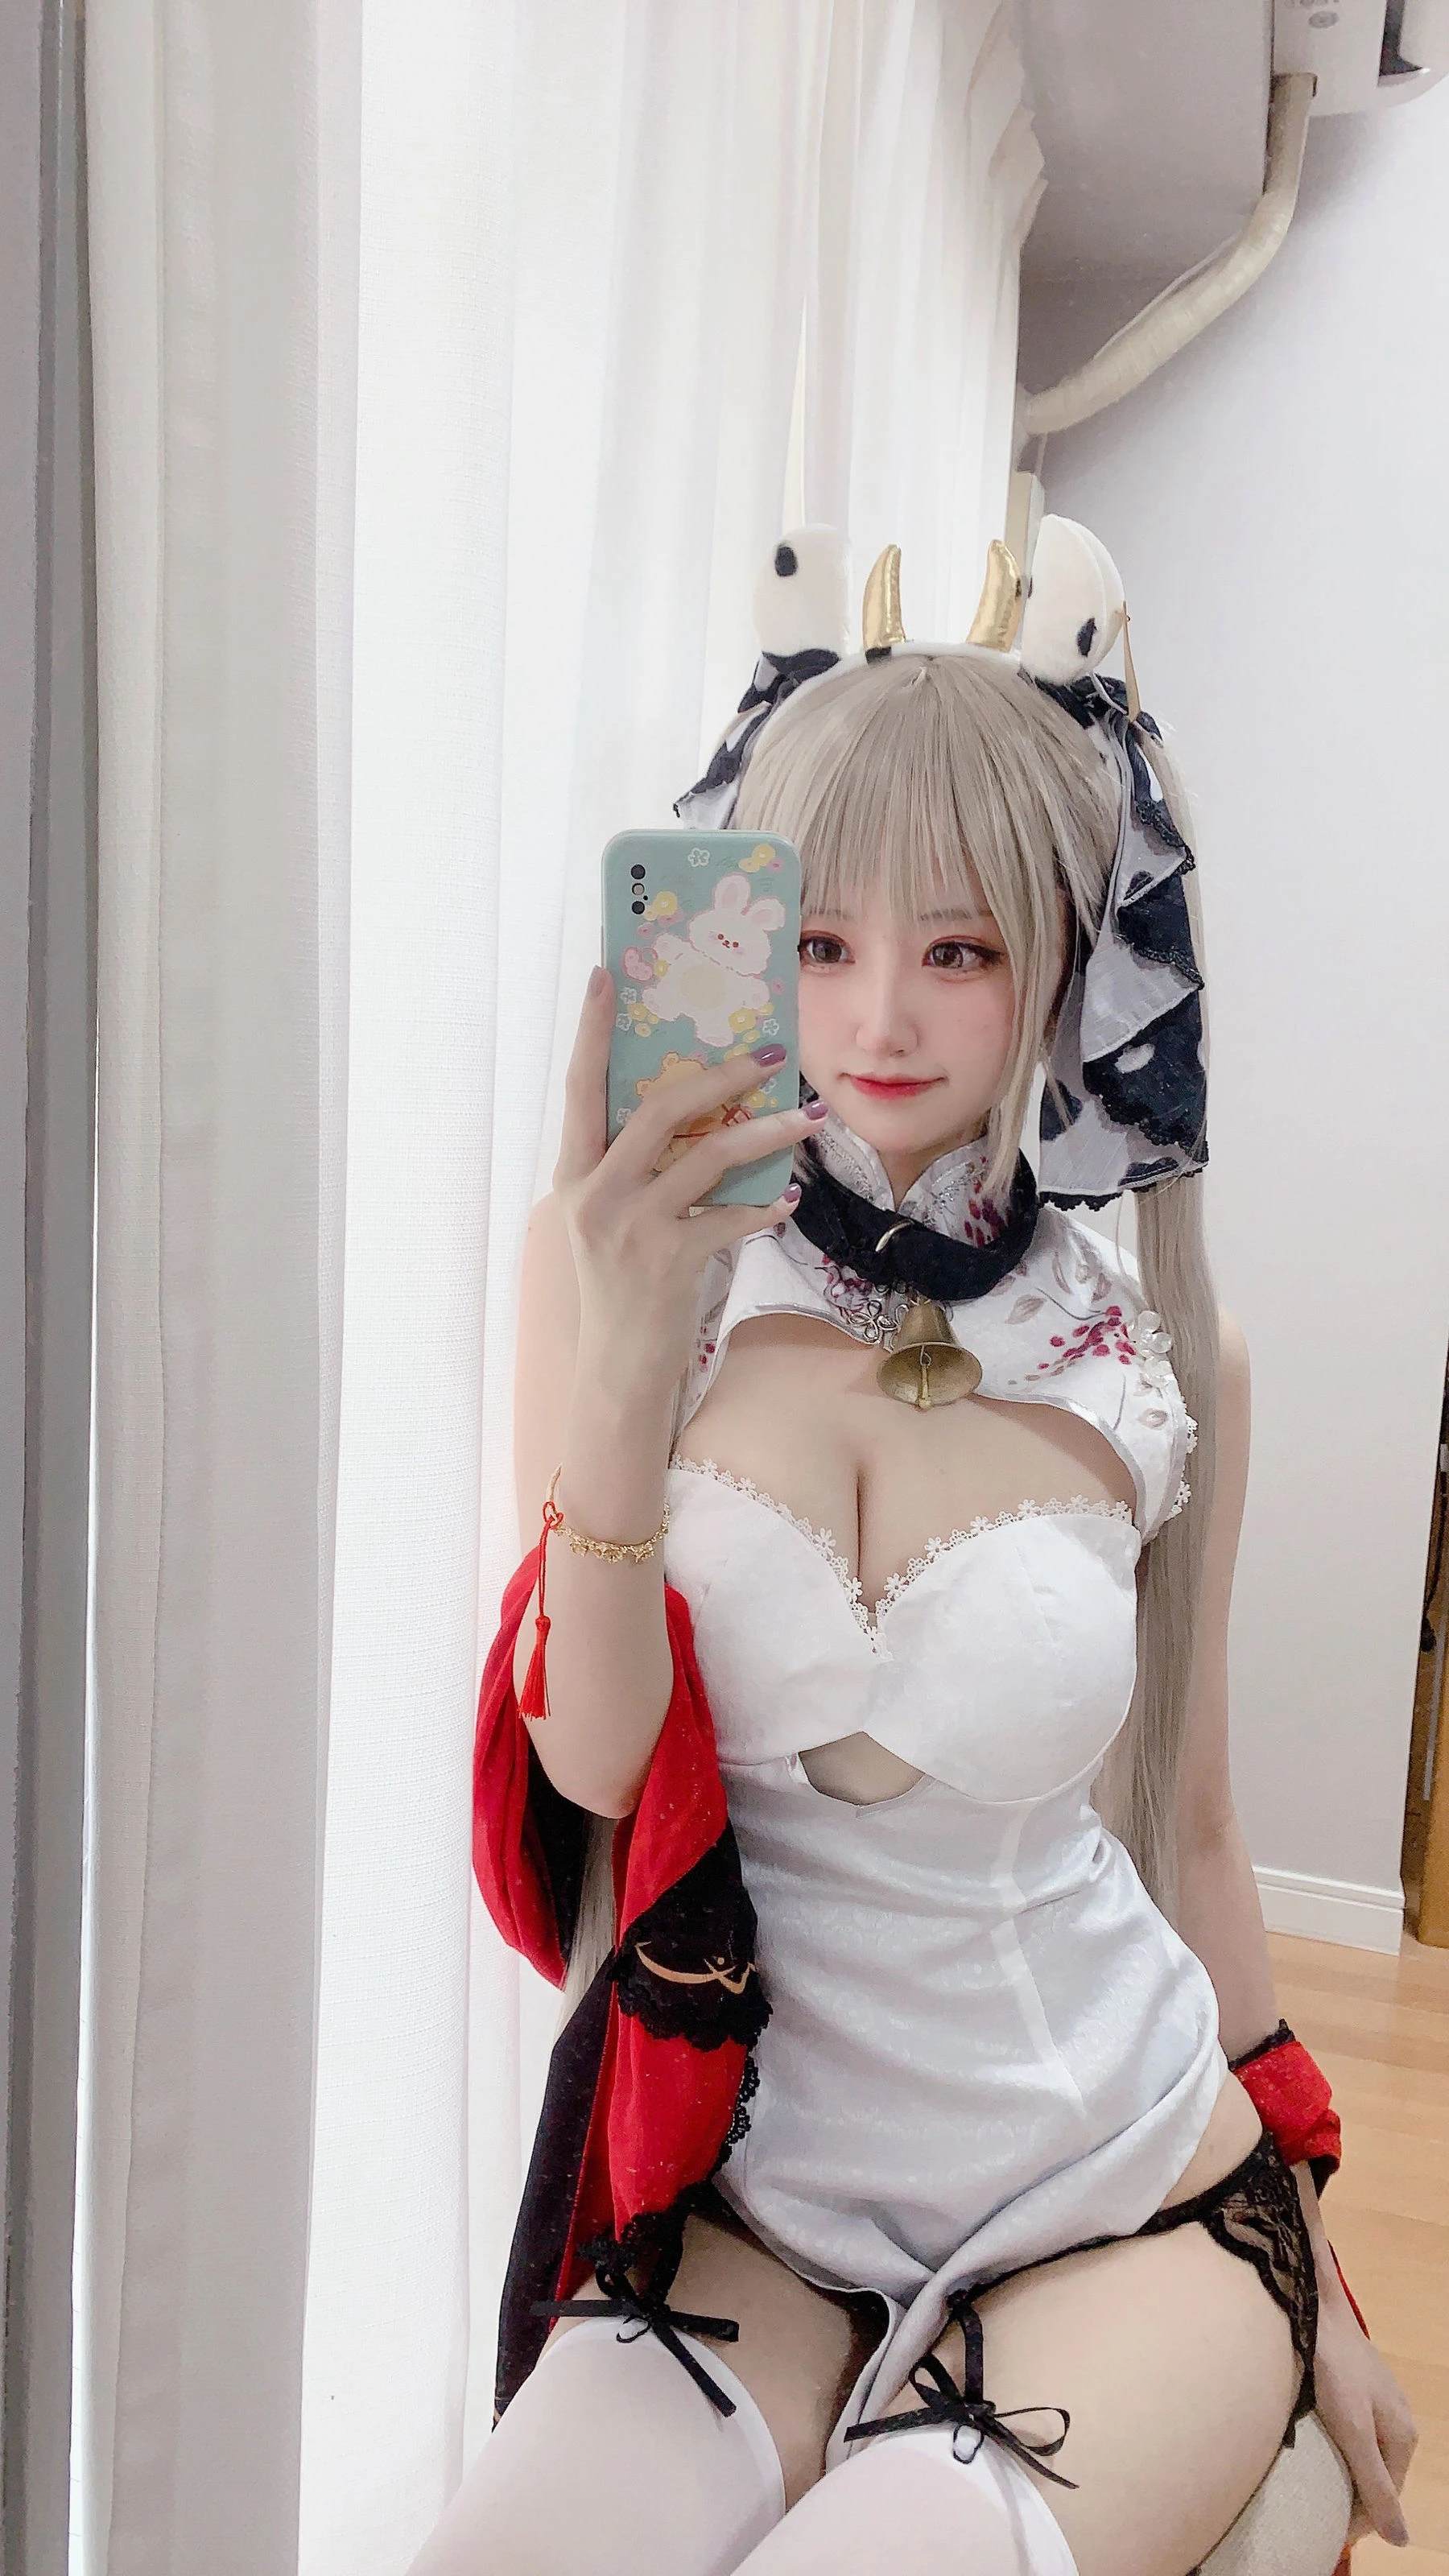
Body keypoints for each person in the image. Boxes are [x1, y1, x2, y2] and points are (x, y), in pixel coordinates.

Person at [408, 523, 1416, 2576]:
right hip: (764, 2208)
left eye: (959, 950)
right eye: (819, 937)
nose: (880, 1013)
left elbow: (1191, 1827)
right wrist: (622, 1360)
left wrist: (1313, 2228)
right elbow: (589, 1764)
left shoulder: (1156, 1348)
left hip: (1124, 2191)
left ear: (1061, 957)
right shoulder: (626, 1277)